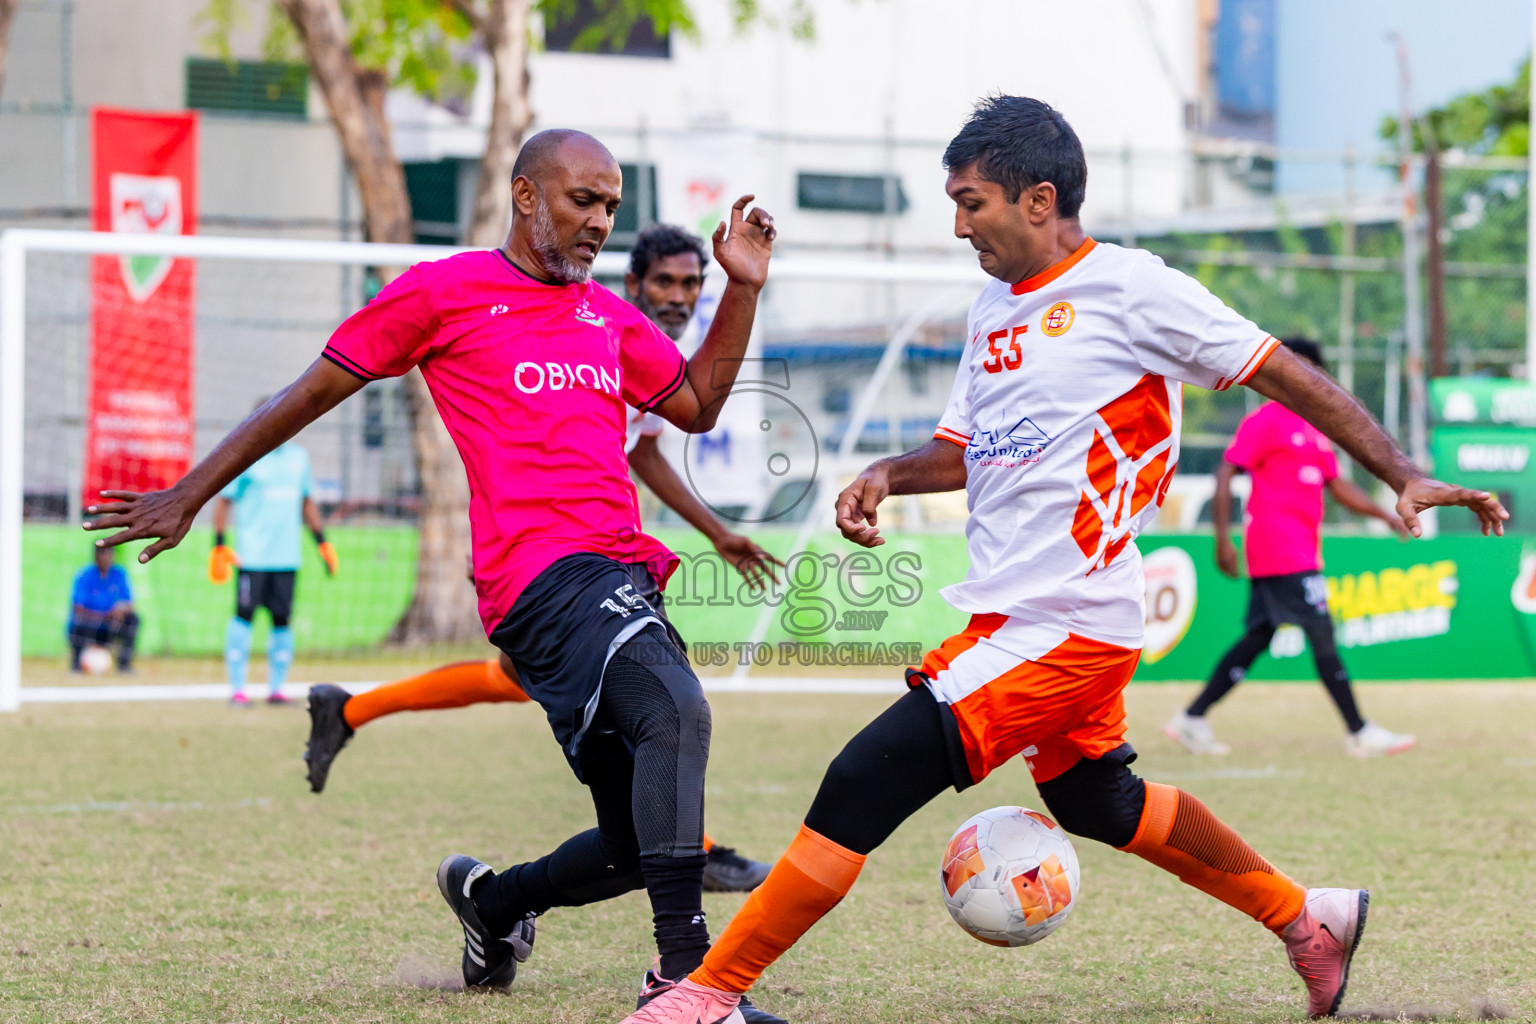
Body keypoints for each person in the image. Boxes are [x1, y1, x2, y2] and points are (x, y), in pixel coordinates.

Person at [620, 97, 1507, 1024]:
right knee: (1097, 800)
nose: (959, 227)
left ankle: (707, 996)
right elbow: (963, 451)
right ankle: (1306, 919)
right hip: (1025, 615)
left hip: (1066, 622)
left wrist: (1400, 471)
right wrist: (887, 474)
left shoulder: (1133, 288)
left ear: (1039, 199)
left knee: (862, 778)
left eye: (972, 204)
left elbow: (1279, 370)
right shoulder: (991, 306)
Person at [83, 129, 785, 1021]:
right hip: (540, 577)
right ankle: (688, 984)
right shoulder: (443, 292)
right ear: (525, 196)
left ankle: (494, 902)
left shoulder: (608, 317)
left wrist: (742, 289)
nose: (600, 222)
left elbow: (698, 405)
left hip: (618, 574)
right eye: (582, 201)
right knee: (677, 708)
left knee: (628, 843)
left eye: (610, 206)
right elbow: (309, 392)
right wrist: (191, 492)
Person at [301, 223, 780, 895]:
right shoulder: (581, 327)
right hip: (547, 563)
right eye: (665, 282)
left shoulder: (640, 347)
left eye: (691, 284)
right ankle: (690, 856)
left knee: (537, 684)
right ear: (633, 282)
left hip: (589, 559)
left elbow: (643, 451)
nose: (678, 296)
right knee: (655, 700)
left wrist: (715, 532)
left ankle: (350, 712)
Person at [1166, 338, 1417, 759]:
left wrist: (1384, 515)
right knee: (1321, 632)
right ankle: (1359, 731)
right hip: (1281, 548)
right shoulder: (1267, 420)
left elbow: (1338, 486)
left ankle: (1191, 717)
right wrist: (1222, 538)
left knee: (1258, 636)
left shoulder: (1314, 430)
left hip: (1299, 548)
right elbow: (1226, 471)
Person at [209, 430, 337, 706]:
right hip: (251, 557)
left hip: (287, 557)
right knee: (243, 615)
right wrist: (218, 545)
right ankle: (238, 690)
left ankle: (277, 690)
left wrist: (322, 542)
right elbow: (223, 501)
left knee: (282, 619)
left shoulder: (299, 457)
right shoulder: (246, 455)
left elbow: (307, 502)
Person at [67, 543, 138, 673]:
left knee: (133, 619)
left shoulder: (119, 574)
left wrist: (121, 610)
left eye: (110, 553)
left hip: (111, 626)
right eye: (104, 553)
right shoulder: (84, 575)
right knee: (77, 622)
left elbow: (129, 604)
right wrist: (105, 615)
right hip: (89, 625)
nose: (107, 557)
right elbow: (77, 608)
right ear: (96, 555)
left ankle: (124, 665)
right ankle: (76, 665)